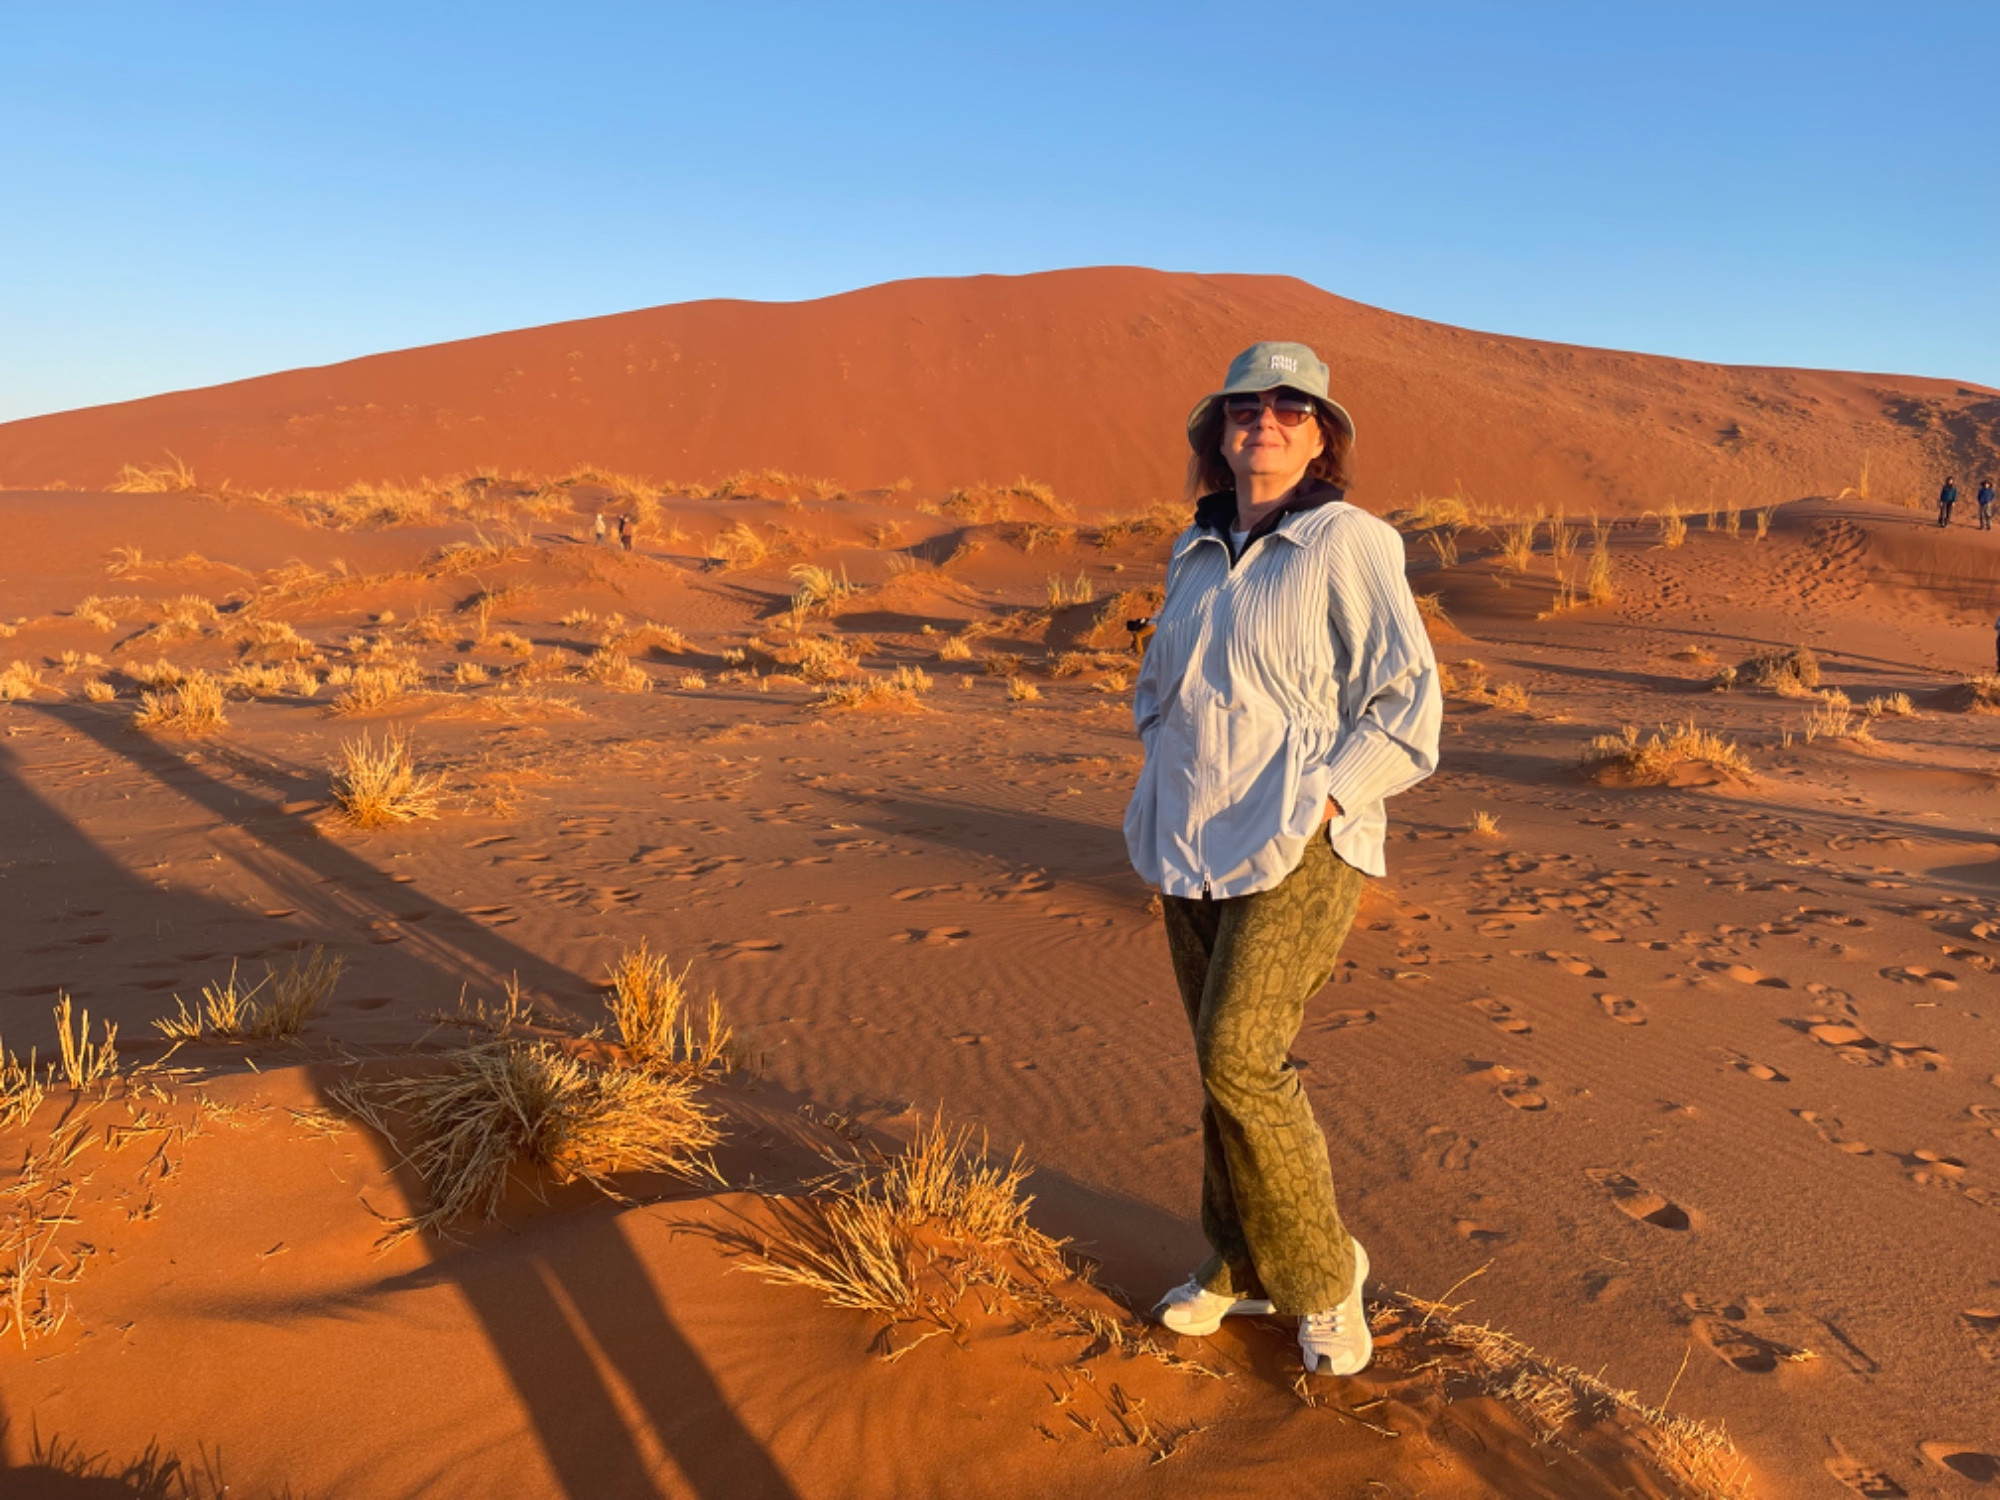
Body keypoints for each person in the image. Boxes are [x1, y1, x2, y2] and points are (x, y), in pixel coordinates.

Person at [1126, 341, 1441, 1378]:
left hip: (1300, 840)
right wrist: (1158, 763)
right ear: (1217, 431)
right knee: (1218, 1072)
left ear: (1320, 438)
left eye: (1290, 408)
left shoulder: (1346, 541)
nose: (1266, 420)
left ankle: (1317, 1277)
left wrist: (1327, 797)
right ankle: (1233, 1261)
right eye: (1246, 406)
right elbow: (1160, 681)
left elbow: (1408, 703)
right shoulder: (1192, 547)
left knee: (1241, 1055)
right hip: (1188, 835)